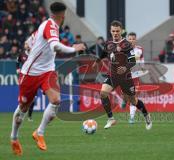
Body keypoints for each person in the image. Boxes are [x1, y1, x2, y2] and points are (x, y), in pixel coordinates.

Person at [10, 2, 86, 156]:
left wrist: (29, 44)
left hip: (47, 72)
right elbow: (56, 47)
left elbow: (29, 42)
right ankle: (14, 137)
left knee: (56, 100)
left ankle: (39, 132)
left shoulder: (46, 25)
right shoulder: (50, 26)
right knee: (23, 109)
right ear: (62, 16)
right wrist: (74, 49)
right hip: (30, 74)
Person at [92, 20, 152, 130]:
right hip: (112, 76)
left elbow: (132, 61)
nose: (115, 33)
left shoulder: (126, 44)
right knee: (103, 93)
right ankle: (111, 119)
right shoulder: (109, 44)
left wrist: (125, 67)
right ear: (110, 31)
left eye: (117, 31)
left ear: (121, 31)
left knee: (133, 101)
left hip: (125, 77)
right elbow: (104, 53)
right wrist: (97, 61)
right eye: (113, 31)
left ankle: (147, 116)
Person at [120, 32, 145, 124]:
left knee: (133, 97)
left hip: (135, 76)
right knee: (126, 95)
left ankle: (131, 118)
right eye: (129, 39)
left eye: (133, 39)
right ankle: (124, 99)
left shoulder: (140, 50)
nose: (131, 40)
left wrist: (142, 67)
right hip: (126, 76)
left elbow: (142, 60)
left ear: (136, 40)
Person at [16, 33, 37, 122]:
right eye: (25, 44)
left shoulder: (34, 54)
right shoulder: (21, 54)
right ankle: (19, 114)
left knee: (32, 99)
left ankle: (29, 116)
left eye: (28, 43)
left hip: (34, 78)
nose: (27, 45)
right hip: (24, 77)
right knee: (23, 99)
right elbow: (17, 62)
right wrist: (17, 68)